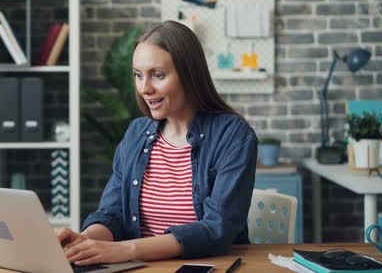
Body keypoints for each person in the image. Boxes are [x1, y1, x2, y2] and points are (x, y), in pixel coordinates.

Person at [57, 20, 258, 266]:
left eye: (158, 75)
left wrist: (127, 250)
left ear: (189, 75)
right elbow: (112, 214)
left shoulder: (232, 135)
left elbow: (218, 229)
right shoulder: (136, 133)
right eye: (138, 76)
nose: (144, 88)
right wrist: (85, 241)